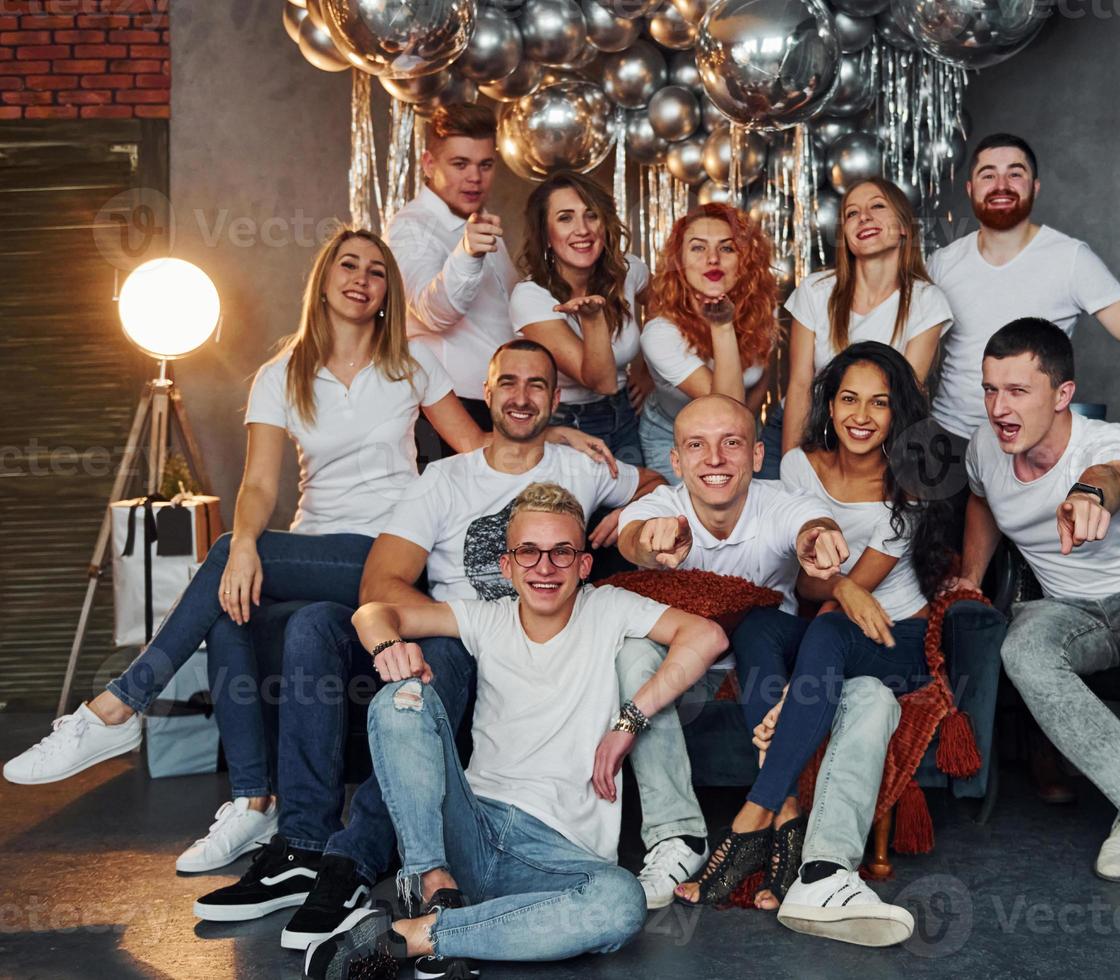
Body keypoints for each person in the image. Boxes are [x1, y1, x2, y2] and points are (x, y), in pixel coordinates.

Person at [2, 228, 494, 873]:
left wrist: (558, 433)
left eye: (377, 272)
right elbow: (260, 483)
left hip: (389, 557)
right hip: (314, 550)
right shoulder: (280, 373)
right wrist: (244, 551)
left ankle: (119, 706)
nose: (361, 278)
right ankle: (252, 801)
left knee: (237, 558)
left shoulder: (411, 364)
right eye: (348, 264)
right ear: (322, 279)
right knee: (235, 592)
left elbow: (479, 452)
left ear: (386, 294)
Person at [192, 340, 664, 952]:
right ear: (486, 394)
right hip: (450, 623)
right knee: (322, 632)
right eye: (509, 383)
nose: (522, 397)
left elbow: (655, 488)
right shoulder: (445, 478)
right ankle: (312, 852)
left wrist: (626, 518)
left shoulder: (580, 476)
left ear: (557, 399)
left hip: (477, 661)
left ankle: (385, 903)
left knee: (437, 666)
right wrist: (388, 636)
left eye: (538, 385)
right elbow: (377, 587)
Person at [302, 482, 728, 977]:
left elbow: (707, 635)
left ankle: (417, 936)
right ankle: (432, 887)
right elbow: (375, 610)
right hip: (470, 829)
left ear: (584, 565)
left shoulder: (608, 606)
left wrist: (628, 722)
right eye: (529, 552)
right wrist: (386, 647)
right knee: (400, 699)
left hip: (558, 858)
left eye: (562, 553)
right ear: (507, 566)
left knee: (621, 903)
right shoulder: (487, 617)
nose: (544, 568)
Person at [670, 347, 995, 948]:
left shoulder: (914, 476)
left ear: (900, 412)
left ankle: (751, 820)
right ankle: (789, 821)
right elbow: (808, 581)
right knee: (759, 625)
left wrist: (801, 674)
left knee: (824, 628)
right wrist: (831, 591)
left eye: (880, 402)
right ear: (830, 402)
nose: (862, 415)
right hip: (835, 623)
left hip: (892, 640)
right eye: (849, 398)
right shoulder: (799, 466)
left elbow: (847, 593)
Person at [615, 395, 919, 944]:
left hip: (773, 669)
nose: (715, 458)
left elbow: (810, 525)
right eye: (696, 445)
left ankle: (823, 871)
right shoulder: (655, 508)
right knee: (634, 654)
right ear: (676, 460)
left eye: (731, 442)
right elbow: (634, 540)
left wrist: (819, 541)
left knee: (874, 694)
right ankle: (677, 840)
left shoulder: (782, 501)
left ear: (757, 455)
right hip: (694, 674)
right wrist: (652, 540)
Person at [950, 317, 1120, 907]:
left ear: (1063, 394)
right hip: (1071, 607)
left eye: (1018, 391)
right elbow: (980, 498)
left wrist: (1091, 493)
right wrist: (972, 576)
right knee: (1021, 648)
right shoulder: (986, 447)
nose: (999, 407)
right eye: (990, 389)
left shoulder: (1106, 443)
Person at [927, 132, 1120, 500]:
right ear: (970, 188)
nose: (1001, 184)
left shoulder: (1070, 259)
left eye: (1015, 173)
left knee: (1042, 555)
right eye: (988, 174)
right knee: (949, 557)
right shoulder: (942, 263)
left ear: (1035, 186)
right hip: (951, 444)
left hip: (1033, 447)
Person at [782, 177, 952, 451]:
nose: (864, 217)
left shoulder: (927, 301)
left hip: (876, 440)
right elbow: (800, 385)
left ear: (904, 228)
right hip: (806, 429)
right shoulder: (814, 291)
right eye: (852, 213)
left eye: (877, 206)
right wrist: (792, 463)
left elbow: (904, 397)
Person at [388, 103, 515, 460]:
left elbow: (507, 319)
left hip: (500, 404)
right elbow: (433, 312)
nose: (475, 177)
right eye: (460, 164)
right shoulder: (410, 227)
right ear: (429, 164)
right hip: (448, 412)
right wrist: (468, 254)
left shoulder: (481, 222)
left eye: (485, 165)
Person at [511, 169, 653, 466]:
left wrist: (647, 368)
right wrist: (593, 321)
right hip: (567, 424)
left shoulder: (628, 271)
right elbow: (600, 381)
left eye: (591, 215)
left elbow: (669, 308)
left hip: (627, 413)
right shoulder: (531, 297)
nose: (583, 229)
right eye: (565, 218)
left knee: (638, 507)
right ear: (546, 235)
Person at [638, 203, 783, 484]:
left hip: (744, 429)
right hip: (672, 435)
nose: (712, 259)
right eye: (698, 248)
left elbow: (761, 378)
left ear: (744, 259)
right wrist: (722, 326)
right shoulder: (661, 333)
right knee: (693, 519)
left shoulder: (763, 308)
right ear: (679, 261)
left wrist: (746, 434)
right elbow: (724, 410)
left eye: (727, 248)